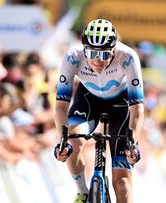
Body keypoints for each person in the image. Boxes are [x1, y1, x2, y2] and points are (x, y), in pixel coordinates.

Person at [53, 19, 144, 203]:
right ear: (84, 48)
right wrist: (62, 141)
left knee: (122, 186)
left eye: (104, 55)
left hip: (120, 106)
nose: (97, 60)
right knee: (72, 140)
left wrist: (133, 143)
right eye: (92, 53)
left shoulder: (128, 57)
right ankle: (82, 192)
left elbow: (137, 108)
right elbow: (61, 106)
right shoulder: (73, 56)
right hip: (88, 101)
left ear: (114, 50)